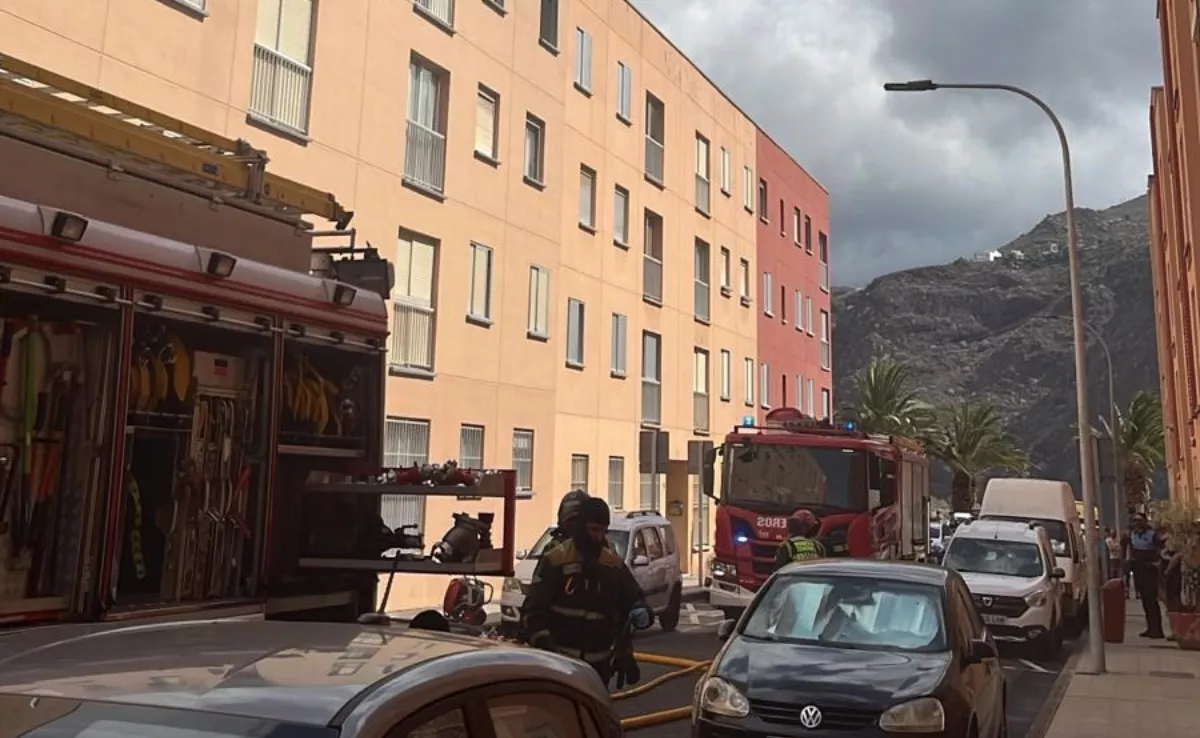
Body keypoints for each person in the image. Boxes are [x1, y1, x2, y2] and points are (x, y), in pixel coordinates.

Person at [521, 497, 653, 684]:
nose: (598, 537)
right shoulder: (556, 560)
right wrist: (549, 651)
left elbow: (632, 596)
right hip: (560, 667)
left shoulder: (612, 564)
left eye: (603, 531)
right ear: (581, 527)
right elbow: (532, 613)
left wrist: (640, 610)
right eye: (593, 530)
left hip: (598, 669)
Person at [1122, 513, 1165, 639]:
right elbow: (1126, 550)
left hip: (1149, 569)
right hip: (1138, 569)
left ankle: (1157, 629)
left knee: (1152, 599)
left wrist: (1158, 562)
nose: (1136, 523)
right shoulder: (1131, 535)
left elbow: (1162, 548)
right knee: (1145, 600)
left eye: (1139, 521)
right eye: (1134, 521)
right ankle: (1150, 627)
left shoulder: (1152, 535)